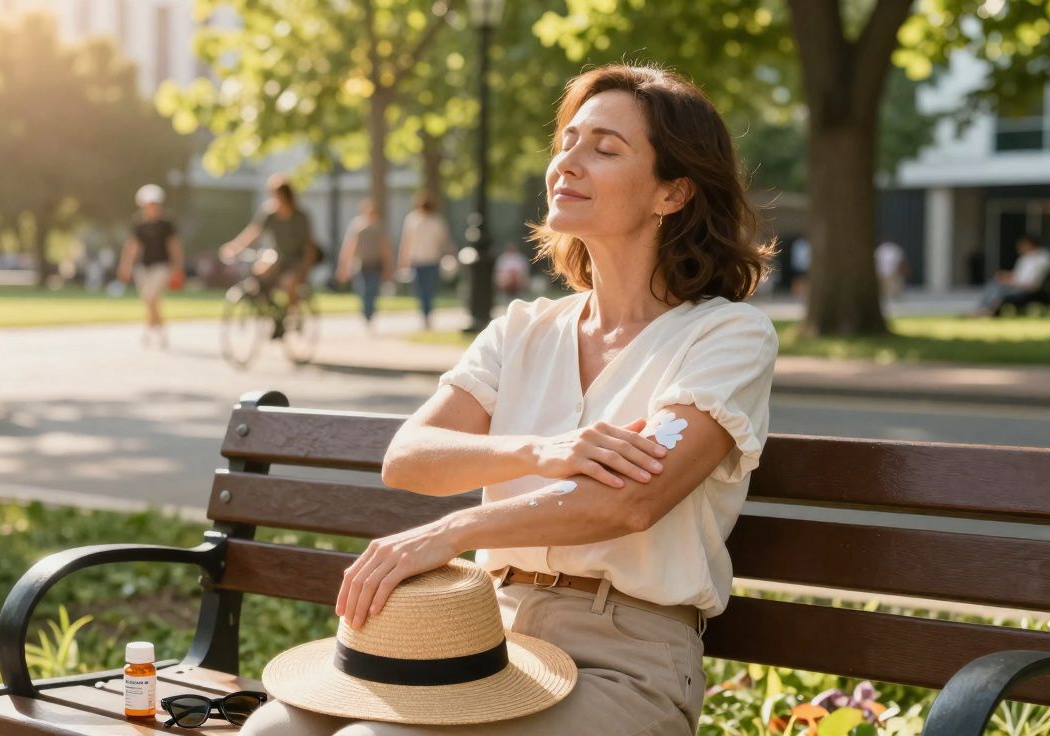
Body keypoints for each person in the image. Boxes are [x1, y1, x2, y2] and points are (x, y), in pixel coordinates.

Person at [242, 63, 778, 736]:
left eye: (604, 149)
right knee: (272, 731)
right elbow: (410, 457)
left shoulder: (727, 335)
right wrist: (543, 451)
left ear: (672, 192)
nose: (567, 164)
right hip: (487, 639)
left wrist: (455, 530)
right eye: (568, 142)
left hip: (627, 659)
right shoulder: (524, 329)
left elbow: (631, 499)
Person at [219, 175, 321, 337]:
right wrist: (234, 247)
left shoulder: (300, 217)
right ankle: (273, 313)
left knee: (289, 283)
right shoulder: (269, 213)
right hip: (278, 257)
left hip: (297, 260)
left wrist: (306, 269)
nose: (273, 199)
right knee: (259, 272)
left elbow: (309, 245)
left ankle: (293, 315)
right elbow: (253, 232)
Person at [118, 184, 184, 348]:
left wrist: (178, 267)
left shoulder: (166, 224)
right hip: (143, 267)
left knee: (151, 297)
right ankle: (157, 329)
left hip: (161, 266)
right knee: (150, 301)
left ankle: (152, 332)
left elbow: (174, 246)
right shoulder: (139, 224)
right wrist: (125, 266)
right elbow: (132, 247)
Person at [396, 193, 452, 329]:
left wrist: (402, 261)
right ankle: (425, 313)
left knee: (428, 289)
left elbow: (443, 241)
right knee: (423, 289)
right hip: (420, 261)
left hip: (431, 260)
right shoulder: (414, 220)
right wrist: (403, 260)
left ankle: (427, 313)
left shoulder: (435, 221)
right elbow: (407, 242)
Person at [337, 200, 394, 332]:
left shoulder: (379, 227)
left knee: (372, 290)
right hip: (361, 264)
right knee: (362, 290)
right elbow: (349, 247)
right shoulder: (357, 226)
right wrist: (344, 266)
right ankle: (366, 312)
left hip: (375, 264)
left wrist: (388, 267)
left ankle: (370, 314)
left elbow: (385, 249)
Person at [973, 234, 1050, 316]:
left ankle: (987, 311)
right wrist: (1005, 277)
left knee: (998, 289)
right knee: (994, 283)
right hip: (1019, 286)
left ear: (1030, 244)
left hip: (1030, 291)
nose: (1019, 248)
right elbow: (1018, 276)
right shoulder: (1025, 258)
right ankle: (983, 309)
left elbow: (1031, 283)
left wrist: (1011, 282)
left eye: (1022, 245)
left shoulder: (1043, 258)